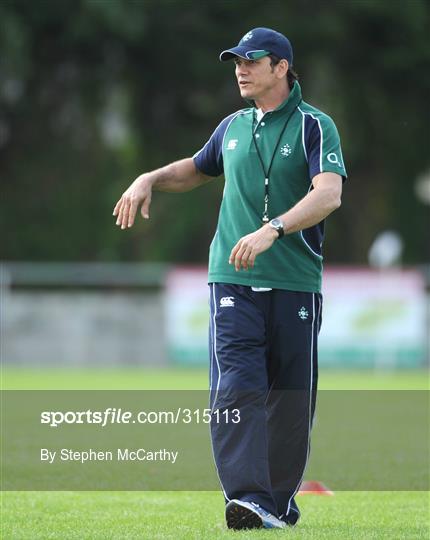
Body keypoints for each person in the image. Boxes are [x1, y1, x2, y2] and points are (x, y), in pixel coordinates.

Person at [113, 27, 346, 530]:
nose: (240, 68)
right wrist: (148, 177)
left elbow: (328, 194)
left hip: (294, 282)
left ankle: (277, 504)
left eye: (251, 60)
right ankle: (245, 497)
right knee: (236, 388)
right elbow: (195, 169)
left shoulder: (315, 126)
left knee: (290, 401)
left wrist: (274, 229)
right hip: (232, 283)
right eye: (236, 60)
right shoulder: (232, 127)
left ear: (281, 67)